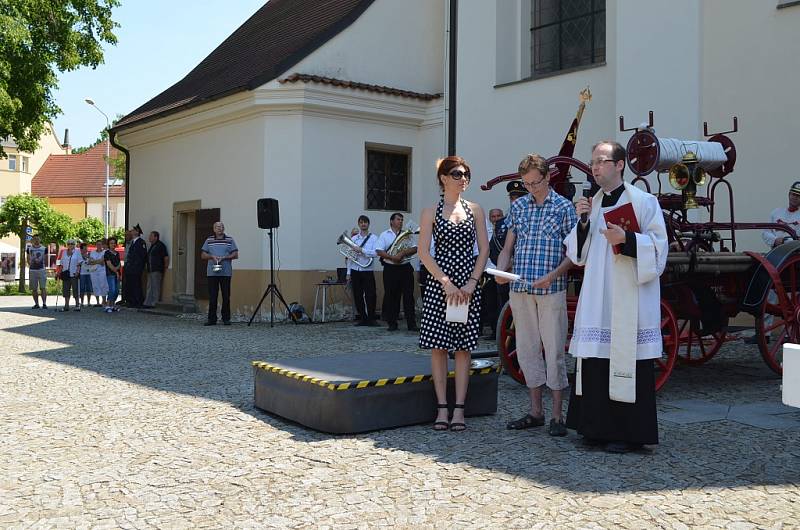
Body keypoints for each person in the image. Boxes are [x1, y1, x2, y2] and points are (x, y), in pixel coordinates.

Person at [564, 140, 669, 454]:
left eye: (601, 161)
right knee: (596, 360)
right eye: (593, 162)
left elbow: (660, 249)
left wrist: (629, 239)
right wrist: (582, 223)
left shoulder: (643, 202)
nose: (595, 168)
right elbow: (578, 256)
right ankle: (593, 428)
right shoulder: (592, 204)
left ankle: (626, 432)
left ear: (620, 164)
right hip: (598, 297)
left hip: (629, 296)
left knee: (624, 358)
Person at [496, 154, 577, 437]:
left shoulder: (564, 208)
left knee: (554, 349)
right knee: (528, 349)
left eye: (536, 182)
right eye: (527, 183)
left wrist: (553, 276)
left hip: (551, 290)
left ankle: (557, 415)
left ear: (547, 177)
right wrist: (500, 267)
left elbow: (575, 254)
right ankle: (535, 412)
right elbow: (509, 246)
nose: (532, 187)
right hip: (519, 289)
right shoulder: (518, 206)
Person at [418, 156, 489, 431]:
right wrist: (445, 282)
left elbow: (483, 249)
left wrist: (472, 281)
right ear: (444, 178)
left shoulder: (475, 209)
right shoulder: (430, 211)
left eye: (466, 174)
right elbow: (424, 252)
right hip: (441, 283)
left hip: (468, 283)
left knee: (463, 347)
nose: (463, 179)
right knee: (438, 346)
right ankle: (441, 408)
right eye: (458, 174)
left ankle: (459, 408)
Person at [375, 213, 418, 332]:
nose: (401, 221)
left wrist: (403, 253)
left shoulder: (407, 235)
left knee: (409, 296)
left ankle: (411, 324)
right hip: (390, 268)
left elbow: (415, 248)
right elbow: (379, 250)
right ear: (391, 221)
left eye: (402, 219)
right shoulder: (384, 235)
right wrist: (392, 257)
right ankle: (392, 323)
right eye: (398, 219)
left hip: (405, 268)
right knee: (391, 296)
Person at [200, 221, 239, 326]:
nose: (220, 228)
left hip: (226, 272)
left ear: (224, 228)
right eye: (217, 227)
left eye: (222, 227)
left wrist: (225, 257)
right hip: (212, 273)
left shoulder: (229, 240)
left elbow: (235, 254)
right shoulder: (209, 240)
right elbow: (203, 255)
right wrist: (212, 257)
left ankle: (226, 318)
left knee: (226, 296)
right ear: (214, 229)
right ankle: (212, 319)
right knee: (212, 296)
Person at [346, 215, 379, 326]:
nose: (363, 224)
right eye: (361, 222)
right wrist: (348, 273)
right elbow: (350, 256)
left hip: (367, 270)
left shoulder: (374, 238)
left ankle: (371, 318)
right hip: (355, 270)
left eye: (365, 222)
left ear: (368, 224)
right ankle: (363, 318)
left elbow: (376, 253)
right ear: (359, 224)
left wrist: (362, 250)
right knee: (357, 295)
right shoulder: (354, 239)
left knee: (371, 294)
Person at [763, 181, 800, 249]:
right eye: (793, 194)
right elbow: (766, 232)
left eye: (798, 196)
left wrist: (786, 241)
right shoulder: (776, 212)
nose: (795, 197)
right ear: (789, 194)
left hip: (795, 254)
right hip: (776, 251)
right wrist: (775, 240)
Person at [143, 231, 169, 308]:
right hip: (150, 269)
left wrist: (165, 266)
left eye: (151, 236)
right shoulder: (152, 246)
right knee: (149, 286)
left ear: (156, 237)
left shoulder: (161, 245)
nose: (149, 238)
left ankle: (155, 303)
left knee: (155, 286)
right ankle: (148, 302)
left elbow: (166, 257)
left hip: (157, 269)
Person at [123, 225, 147, 308]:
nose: (131, 231)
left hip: (136, 269)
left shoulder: (141, 242)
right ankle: (132, 301)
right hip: (130, 268)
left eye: (133, 230)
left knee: (136, 285)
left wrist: (137, 267)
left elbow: (141, 256)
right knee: (130, 285)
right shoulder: (133, 242)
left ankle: (137, 301)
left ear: (137, 232)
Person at [59, 239, 83, 311]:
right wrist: (59, 272)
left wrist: (77, 272)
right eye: (69, 243)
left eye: (72, 243)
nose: (70, 245)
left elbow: (79, 263)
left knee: (75, 289)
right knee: (66, 290)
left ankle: (77, 305)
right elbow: (61, 263)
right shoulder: (64, 252)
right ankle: (66, 306)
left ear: (74, 244)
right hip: (65, 273)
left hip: (74, 273)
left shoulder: (77, 251)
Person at [27, 235, 48, 309]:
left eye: (38, 239)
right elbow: (28, 259)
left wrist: (42, 266)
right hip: (33, 270)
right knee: (34, 288)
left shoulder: (44, 248)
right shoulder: (29, 249)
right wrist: (32, 265)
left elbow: (45, 259)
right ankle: (36, 304)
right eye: (35, 239)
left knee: (43, 287)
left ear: (40, 239)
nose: (36, 240)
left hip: (41, 270)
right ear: (32, 240)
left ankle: (44, 304)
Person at [104, 237, 122, 313]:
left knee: (117, 291)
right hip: (110, 274)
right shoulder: (107, 253)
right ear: (108, 244)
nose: (113, 244)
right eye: (111, 243)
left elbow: (119, 264)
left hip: (117, 274)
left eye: (114, 243)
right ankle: (107, 305)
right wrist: (116, 272)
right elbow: (109, 265)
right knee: (112, 290)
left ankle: (112, 305)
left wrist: (118, 271)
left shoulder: (117, 253)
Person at [88, 239, 109, 305]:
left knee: (103, 285)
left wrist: (94, 261)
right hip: (94, 271)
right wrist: (99, 261)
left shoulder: (105, 252)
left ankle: (104, 301)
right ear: (96, 245)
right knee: (95, 285)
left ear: (102, 245)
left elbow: (103, 262)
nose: (99, 246)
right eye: (97, 244)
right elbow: (90, 262)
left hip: (102, 271)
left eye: (100, 244)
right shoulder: (92, 252)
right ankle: (97, 302)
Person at [78, 243, 93, 310]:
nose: (86, 250)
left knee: (89, 288)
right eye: (84, 248)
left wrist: (89, 257)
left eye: (86, 248)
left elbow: (92, 262)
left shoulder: (89, 255)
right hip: (82, 274)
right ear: (81, 249)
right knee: (82, 288)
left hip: (89, 273)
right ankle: (81, 302)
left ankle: (89, 302)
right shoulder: (79, 255)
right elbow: (78, 263)